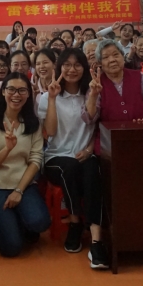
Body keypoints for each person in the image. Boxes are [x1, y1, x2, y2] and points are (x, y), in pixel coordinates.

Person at [39, 48, 108, 269]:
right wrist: (51, 98)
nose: (72, 69)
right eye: (66, 65)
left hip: (84, 154)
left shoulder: (91, 93)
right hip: (55, 157)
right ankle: (76, 222)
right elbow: (50, 131)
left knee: (93, 170)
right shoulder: (46, 97)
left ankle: (96, 240)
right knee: (69, 167)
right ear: (59, 67)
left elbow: (96, 125)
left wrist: (88, 149)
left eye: (77, 64)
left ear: (84, 68)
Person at [0, 72, 51, 258]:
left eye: (22, 90)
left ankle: (17, 218)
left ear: (28, 94)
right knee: (11, 249)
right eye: (11, 89)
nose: (16, 95)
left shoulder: (33, 123)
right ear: (3, 92)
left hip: (24, 185)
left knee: (40, 222)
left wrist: (19, 191)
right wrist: (7, 149)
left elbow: (35, 160)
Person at [85, 40, 143, 126]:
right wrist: (93, 95)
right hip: (108, 134)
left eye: (116, 55)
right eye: (105, 57)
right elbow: (89, 119)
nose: (112, 60)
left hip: (140, 131)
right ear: (100, 63)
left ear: (123, 57)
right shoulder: (96, 84)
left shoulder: (140, 77)